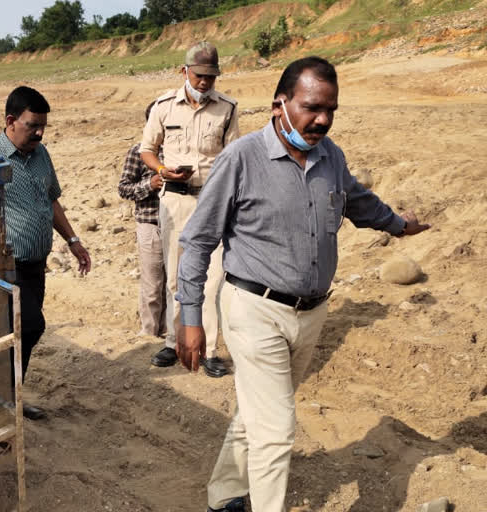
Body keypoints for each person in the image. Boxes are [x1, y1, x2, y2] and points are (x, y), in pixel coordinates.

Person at [175, 56, 430, 512]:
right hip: (254, 309)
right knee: (277, 429)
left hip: (311, 314)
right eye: (312, 107)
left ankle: (224, 495)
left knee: (260, 413)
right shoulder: (242, 158)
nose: (323, 120)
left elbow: (358, 201)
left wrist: (397, 225)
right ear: (281, 104)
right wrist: (190, 317)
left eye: (331, 109)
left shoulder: (331, 156)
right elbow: (196, 241)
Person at [0, 86, 91, 421]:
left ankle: (8, 398)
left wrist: (73, 240)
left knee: (19, 332)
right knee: (31, 327)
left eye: (43, 126)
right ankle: (1, 399)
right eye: (32, 125)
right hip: (2, 266)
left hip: (36, 266)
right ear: (11, 121)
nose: (39, 133)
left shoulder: (41, 155)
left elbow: (50, 200)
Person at [139, 41, 240, 378]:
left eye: (211, 77)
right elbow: (147, 150)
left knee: (212, 279)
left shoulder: (227, 109)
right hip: (176, 200)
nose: (204, 83)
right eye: (198, 76)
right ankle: (172, 341)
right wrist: (161, 171)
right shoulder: (164, 106)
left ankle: (209, 349)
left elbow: (234, 156)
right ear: (184, 71)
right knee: (175, 273)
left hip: (213, 202)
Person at [117, 101, 166, 338]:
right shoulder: (138, 152)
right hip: (151, 223)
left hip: (179, 224)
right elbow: (124, 188)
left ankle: (171, 334)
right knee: (153, 284)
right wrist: (150, 184)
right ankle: (149, 334)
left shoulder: (180, 152)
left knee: (175, 284)